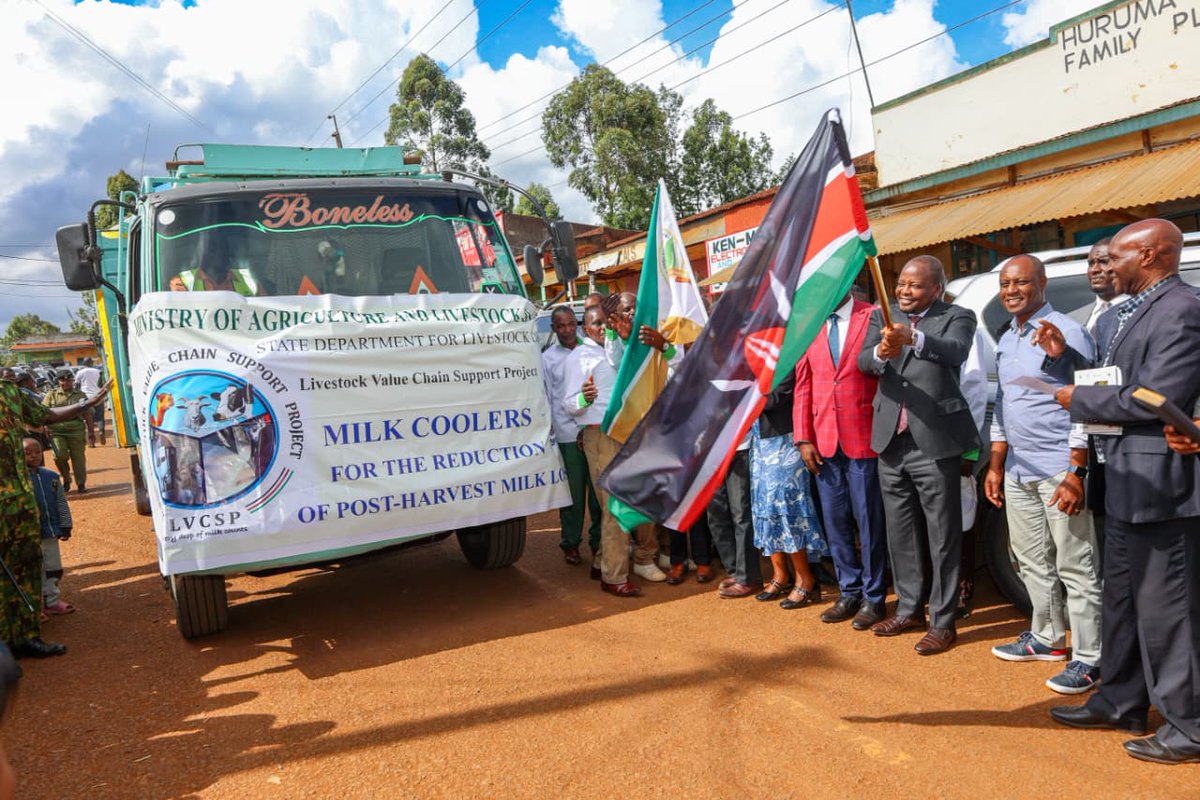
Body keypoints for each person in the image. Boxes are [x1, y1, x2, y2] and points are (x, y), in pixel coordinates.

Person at [1049, 218, 1200, 765]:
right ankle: (1120, 699)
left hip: (1163, 484)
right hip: (1122, 478)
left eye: (1118, 256)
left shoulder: (1181, 307)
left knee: (1169, 611)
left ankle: (1189, 726)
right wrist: (1067, 374)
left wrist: (1078, 402)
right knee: (1123, 601)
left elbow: (1157, 396)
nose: (1107, 265)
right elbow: (1108, 377)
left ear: (1153, 253)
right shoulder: (1128, 310)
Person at [984, 255, 1103, 694]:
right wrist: (996, 464)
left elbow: (1086, 406)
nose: (1012, 290)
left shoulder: (1068, 334)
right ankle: (1048, 639)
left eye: (1021, 282)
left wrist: (1077, 470)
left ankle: (1091, 657)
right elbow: (1004, 403)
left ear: (1042, 283)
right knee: (1031, 558)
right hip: (1018, 468)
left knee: (1076, 564)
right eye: (1006, 283)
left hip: (1058, 468)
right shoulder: (1007, 336)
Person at [857, 255, 979, 655]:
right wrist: (881, 351)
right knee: (901, 532)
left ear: (937, 289)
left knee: (942, 534)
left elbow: (956, 351)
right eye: (902, 284)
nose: (904, 291)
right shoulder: (883, 316)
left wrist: (914, 339)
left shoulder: (957, 315)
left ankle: (943, 621)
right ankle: (909, 607)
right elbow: (863, 362)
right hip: (890, 441)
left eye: (915, 285)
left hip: (935, 441)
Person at [794, 291, 888, 629]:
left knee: (869, 522)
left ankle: (874, 598)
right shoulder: (811, 321)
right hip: (824, 442)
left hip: (865, 437)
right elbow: (804, 384)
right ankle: (849, 591)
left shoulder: (873, 315)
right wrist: (804, 437)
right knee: (834, 522)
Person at [1, 375, 109, 657]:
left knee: (26, 568)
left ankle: (25, 638)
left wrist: (88, 403)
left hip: (20, 503)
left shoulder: (9, 392)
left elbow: (44, 415)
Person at [563, 306, 657, 596]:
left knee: (613, 505)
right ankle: (614, 577)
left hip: (624, 434)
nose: (602, 328)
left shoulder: (614, 350)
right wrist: (583, 396)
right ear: (585, 327)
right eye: (595, 323)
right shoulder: (580, 357)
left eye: (606, 323)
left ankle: (602, 562)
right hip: (601, 435)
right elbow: (568, 403)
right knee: (615, 507)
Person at [748, 370, 826, 609]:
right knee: (765, 507)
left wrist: (742, 394)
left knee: (787, 509)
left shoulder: (788, 350)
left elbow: (778, 397)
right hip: (759, 440)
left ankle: (806, 579)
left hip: (786, 439)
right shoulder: (753, 355)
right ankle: (780, 575)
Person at [541, 306, 602, 567]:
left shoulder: (593, 349)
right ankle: (570, 543)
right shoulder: (547, 359)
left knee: (598, 494)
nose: (566, 330)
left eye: (570, 324)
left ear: (577, 325)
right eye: (560, 326)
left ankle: (599, 541)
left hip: (592, 430)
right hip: (567, 435)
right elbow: (546, 396)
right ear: (554, 329)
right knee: (573, 495)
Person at [24, 439, 74, 616]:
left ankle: (52, 601)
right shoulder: (18, 481)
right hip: (29, 535)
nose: (34, 456)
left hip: (50, 532)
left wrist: (66, 525)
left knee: (53, 568)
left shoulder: (51, 477)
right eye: (28, 453)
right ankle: (37, 607)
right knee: (33, 570)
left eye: (37, 452)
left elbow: (61, 502)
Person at [41, 370, 89, 493]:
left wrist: (92, 431)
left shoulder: (80, 395)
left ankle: (81, 483)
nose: (66, 383)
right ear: (58, 381)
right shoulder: (51, 395)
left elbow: (87, 413)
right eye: (62, 380)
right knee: (59, 456)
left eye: (68, 380)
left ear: (72, 380)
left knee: (78, 458)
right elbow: (43, 412)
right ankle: (66, 479)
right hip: (56, 431)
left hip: (76, 430)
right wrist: (44, 427)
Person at [169, 235, 264, 295]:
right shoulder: (181, 281)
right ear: (202, 254)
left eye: (223, 248)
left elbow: (266, 315)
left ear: (229, 253)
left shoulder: (249, 280)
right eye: (212, 249)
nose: (219, 253)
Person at [74, 359, 104, 447]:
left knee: (88, 418)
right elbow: (101, 384)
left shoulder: (80, 373)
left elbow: (77, 386)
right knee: (100, 417)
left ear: (83, 364)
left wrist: (76, 396)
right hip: (98, 396)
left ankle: (91, 439)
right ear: (92, 363)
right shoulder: (98, 371)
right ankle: (101, 431)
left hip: (86, 398)